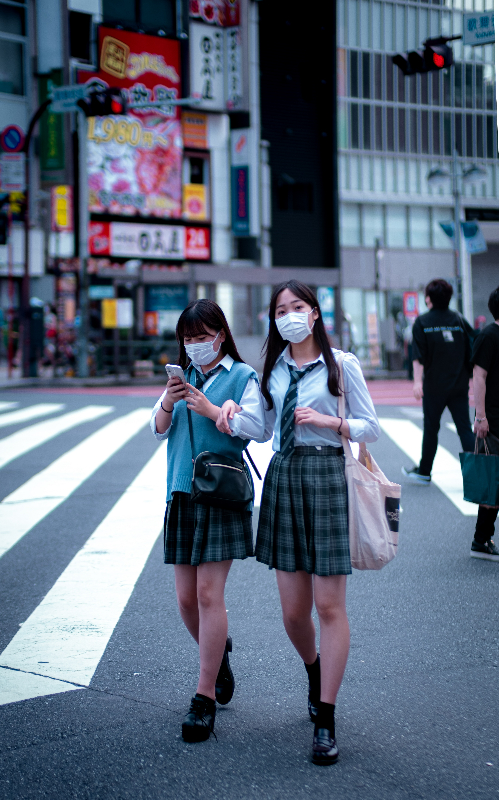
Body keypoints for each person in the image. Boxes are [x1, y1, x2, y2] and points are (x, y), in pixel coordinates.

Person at [217, 280, 380, 766]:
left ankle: (326, 719)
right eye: (281, 309)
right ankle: (314, 669)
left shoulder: (341, 365)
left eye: (298, 307)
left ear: (314, 314)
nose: (289, 315)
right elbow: (262, 428)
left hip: (328, 474)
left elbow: (371, 425)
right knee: (293, 613)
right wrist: (230, 413)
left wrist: (333, 423)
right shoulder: (273, 369)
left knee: (330, 606)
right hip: (285, 475)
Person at [151, 299, 264, 743]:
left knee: (207, 593)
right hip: (181, 493)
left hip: (220, 495)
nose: (195, 345)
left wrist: (215, 411)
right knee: (184, 599)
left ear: (221, 334)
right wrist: (168, 400)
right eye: (188, 338)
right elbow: (158, 430)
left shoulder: (242, 376)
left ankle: (204, 697)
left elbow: (258, 428)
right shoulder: (182, 378)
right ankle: (220, 656)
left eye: (202, 337)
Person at [402, 279, 475, 483]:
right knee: (464, 429)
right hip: (459, 384)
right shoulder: (459, 320)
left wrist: (417, 382)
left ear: (428, 299)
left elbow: (418, 356)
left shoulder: (422, 322)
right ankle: (477, 475)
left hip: (434, 386)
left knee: (432, 428)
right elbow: (474, 344)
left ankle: (424, 471)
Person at [470, 286, 499, 561]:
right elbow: (479, 377)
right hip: (493, 420)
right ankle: (481, 539)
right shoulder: (489, 336)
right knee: (493, 481)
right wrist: (480, 417)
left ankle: (482, 538)